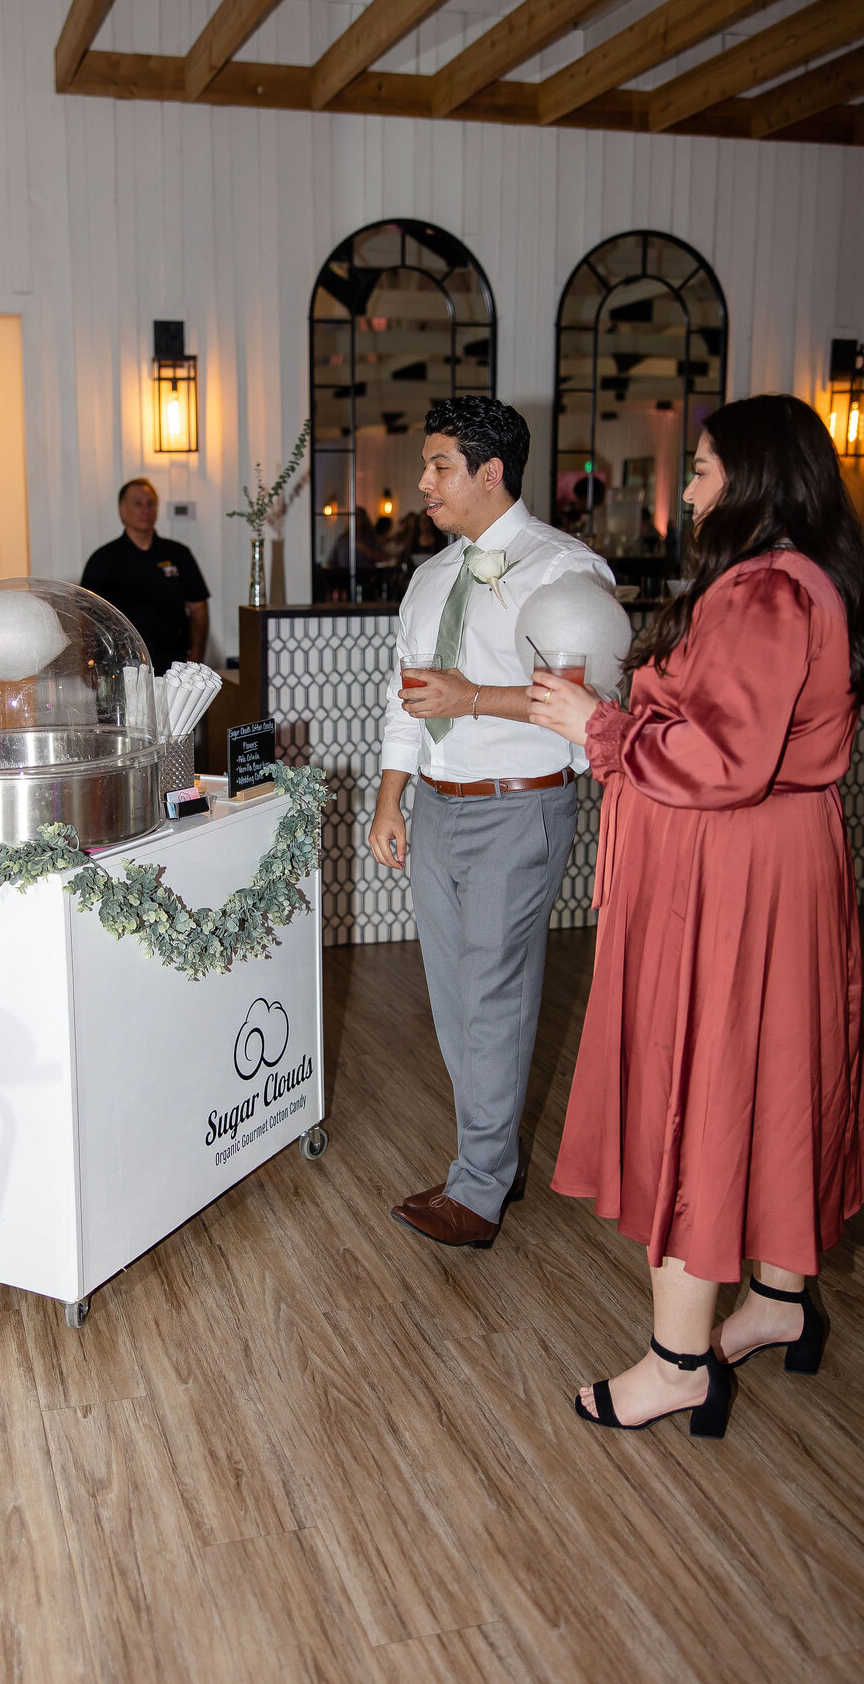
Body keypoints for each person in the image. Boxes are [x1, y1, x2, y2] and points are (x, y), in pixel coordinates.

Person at [528, 394, 864, 1438]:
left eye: (697, 469)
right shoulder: (797, 583)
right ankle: (777, 1301)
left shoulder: (766, 592)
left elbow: (716, 761)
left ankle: (680, 1361)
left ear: (753, 479)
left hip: (734, 877)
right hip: (780, 864)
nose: (685, 488)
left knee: (708, 1082)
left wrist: (596, 724)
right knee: (776, 1072)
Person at [368, 398, 614, 1247]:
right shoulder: (432, 576)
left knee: (494, 995)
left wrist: (471, 698)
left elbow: (588, 704)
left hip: (520, 805)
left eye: (439, 465)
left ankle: (477, 1189)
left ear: (490, 472)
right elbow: (404, 701)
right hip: (436, 807)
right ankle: (491, 1165)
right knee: (452, 998)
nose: (423, 482)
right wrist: (390, 798)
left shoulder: (563, 569)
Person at [81, 478, 209, 674]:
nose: (145, 510)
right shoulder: (103, 560)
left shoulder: (178, 554)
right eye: (137, 503)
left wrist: (197, 657)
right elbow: (87, 619)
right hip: (120, 668)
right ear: (122, 511)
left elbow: (198, 609)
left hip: (174, 667)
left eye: (150, 504)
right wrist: (89, 665)